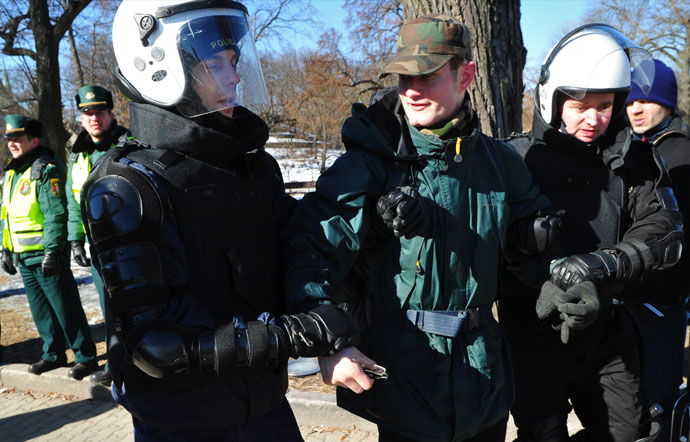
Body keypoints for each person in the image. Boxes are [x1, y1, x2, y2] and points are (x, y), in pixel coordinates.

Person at [81, 1, 358, 440]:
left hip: (266, 410)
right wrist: (292, 337)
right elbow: (155, 348)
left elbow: (296, 243)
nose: (235, 76)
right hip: (183, 424)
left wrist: (369, 213)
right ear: (159, 66)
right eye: (214, 63)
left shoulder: (250, 167)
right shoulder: (128, 187)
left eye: (233, 61)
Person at [284, 14, 561, 442]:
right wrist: (327, 340)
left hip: (485, 384)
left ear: (465, 74)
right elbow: (312, 245)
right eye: (402, 78)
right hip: (407, 384)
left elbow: (537, 254)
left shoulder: (501, 164)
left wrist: (556, 266)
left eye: (427, 76)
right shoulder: (369, 165)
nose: (411, 90)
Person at [499, 25, 684, 441]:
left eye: (605, 105)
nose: (593, 118)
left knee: (630, 432)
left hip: (606, 326)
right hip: (531, 331)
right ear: (554, 98)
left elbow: (664, 230)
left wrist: (599, 266)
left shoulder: (634, 160)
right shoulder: (515, 159)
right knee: (542, 432)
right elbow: (492, 237)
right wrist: (543, 275)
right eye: (580, 105)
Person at [0, 114, 98, 380]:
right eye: (10, 139)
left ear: (34, 139)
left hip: (46, 252)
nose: (12, 144)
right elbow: (7, 214)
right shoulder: (12, 171)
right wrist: (6, 249)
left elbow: (55, 214)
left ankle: (85, 357)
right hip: (23, 254)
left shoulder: (45, 168)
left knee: (65, 307)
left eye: (18, 139)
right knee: (41, 310)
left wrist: (53, 251)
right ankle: (53, 354)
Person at [624, 58, 690, 441]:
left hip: (660, 298)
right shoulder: (641, 147)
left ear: (666, 103)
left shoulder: (677, 153)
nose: (636, 108)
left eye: (646, 100)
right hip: (635, 296)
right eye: (630, 100)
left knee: (655, 404)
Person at [66, 84, 129, 386]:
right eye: (87, 113)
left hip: (129, 242)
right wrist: (75, 238)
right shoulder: (78, 155)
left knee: (135, 304)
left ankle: (141, 361)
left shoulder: (128, 143)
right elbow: (72, 200)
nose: (94, 118)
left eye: (99, 112)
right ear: (81, 118)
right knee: (108, 307)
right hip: (97, 247)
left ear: (111, 114)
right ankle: (117, 362)